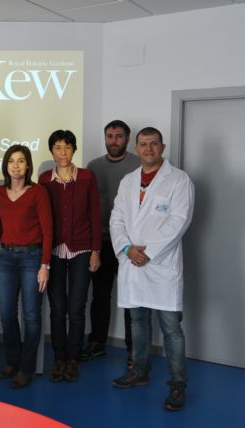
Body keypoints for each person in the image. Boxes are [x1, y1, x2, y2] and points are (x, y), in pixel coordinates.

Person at [110, 127, 194, 411]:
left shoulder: (179, 180)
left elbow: (179, 221)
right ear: (136, 148)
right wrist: (126, 249)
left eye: (154, 144)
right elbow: (116, 219)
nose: (148, 149)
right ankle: (139, 371)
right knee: (137, 322)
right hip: (133, 262)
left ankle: (178, 384)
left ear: (163, 146)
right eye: (143, 144)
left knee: (171, 329)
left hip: (161, 265)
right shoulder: (128, 181)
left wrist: (148, 252)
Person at [39, 130, 101, 382]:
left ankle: (73, 360)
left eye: (67, 147)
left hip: (82, 251)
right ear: (51, 151)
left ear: (74, 150)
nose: (62, 152)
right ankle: (59, 359)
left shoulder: (87, 177)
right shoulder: (44, 179)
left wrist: (96, 251)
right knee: (57, 309)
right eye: (57, 147)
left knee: (76, 308)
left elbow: (95, 215)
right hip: (54, 251)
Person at [81, 120, 140, 365]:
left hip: (129, 243)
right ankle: (97, 342)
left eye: (118, 136)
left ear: (127, 139)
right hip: (101, 242)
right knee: (100, 296)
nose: (113, 140)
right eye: (109, 136)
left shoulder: (138, 164)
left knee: (130, 298)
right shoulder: (93, 166)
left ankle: (133, 349)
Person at [0, 145, 52, 389]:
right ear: (6, 165)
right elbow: (0, 226)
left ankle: (26, 368)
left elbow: (49, 230)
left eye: (21, 161)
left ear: (28, 165)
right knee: (7, 315)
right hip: (6, 258)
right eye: (11, 161)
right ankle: (12, 361)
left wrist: (44, 265)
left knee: (31, 315)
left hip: (32, 258)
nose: (16, 165)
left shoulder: (38, 192)